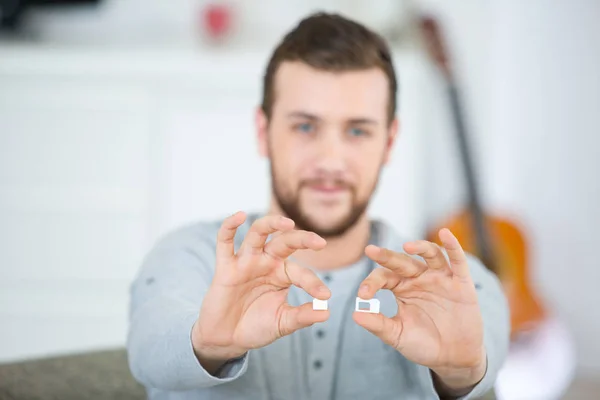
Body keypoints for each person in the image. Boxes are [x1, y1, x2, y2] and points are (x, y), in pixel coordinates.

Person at [127, 12, 509, 400]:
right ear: (264, 132)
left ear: (389, 143)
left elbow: (482, 358)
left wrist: (460, 372)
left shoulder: (454, 282)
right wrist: (207, 343)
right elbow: (147, 351)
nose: (330, 160)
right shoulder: (188, 256)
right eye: (305, 127)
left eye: (358, 130)